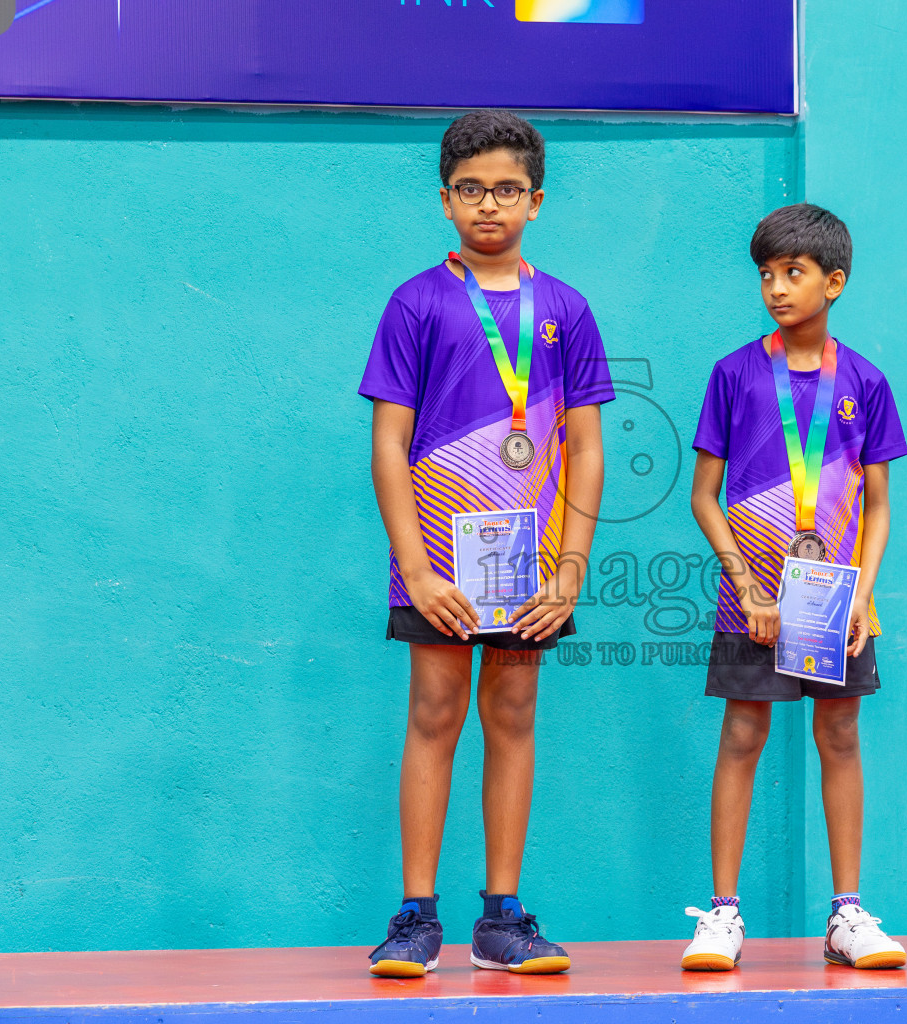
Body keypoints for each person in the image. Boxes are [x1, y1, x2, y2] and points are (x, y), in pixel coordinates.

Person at [357, 110, 615, 977]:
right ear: (445, 201)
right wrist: (420, 570)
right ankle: (414, 916)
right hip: (437, 562)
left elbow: (587, 448)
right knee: (434, 716)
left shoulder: (568, 310)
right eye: (471, 190)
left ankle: (502, 919)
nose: (489, 205)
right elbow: (388, 446)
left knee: (512, 716)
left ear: (536, 202)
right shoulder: (417, 301)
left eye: (507, 189)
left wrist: (570, 567)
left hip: (530, 566)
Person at [681, 204, 907, 972]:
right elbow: (704, 496)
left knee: (840, 739)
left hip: (839, 607)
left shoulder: (867, 382)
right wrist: (747, 587)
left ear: (834, 282)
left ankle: (847, 916)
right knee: (742, 738)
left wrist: (862, 595)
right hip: (757, 605)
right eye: (766, 275)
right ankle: (721, 915)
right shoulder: (735, 374)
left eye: (794, 273)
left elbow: (878, 506)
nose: (776, 288)